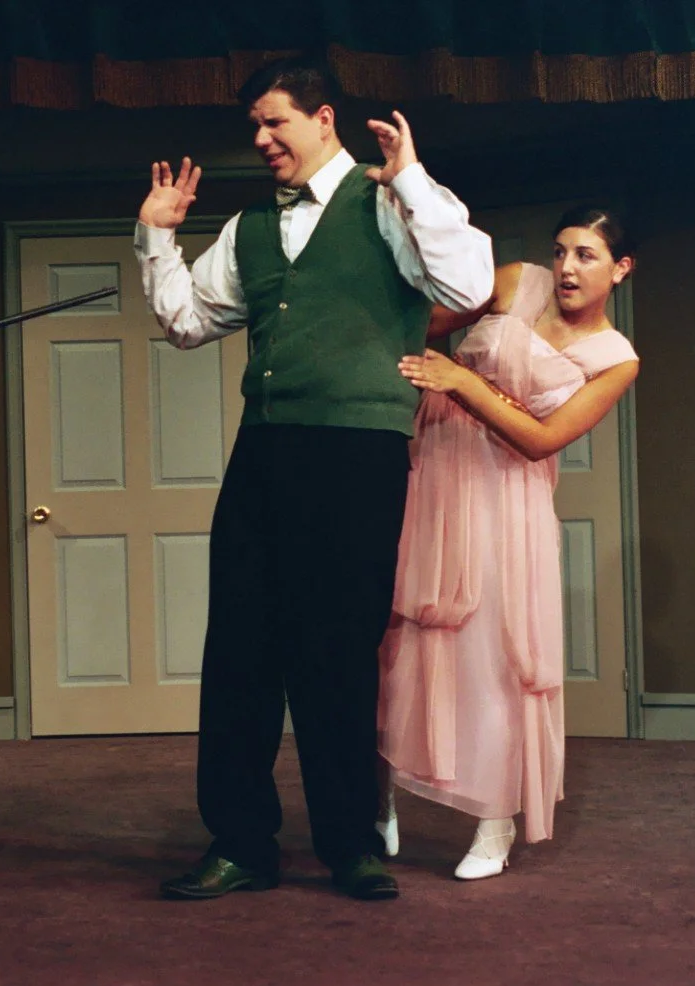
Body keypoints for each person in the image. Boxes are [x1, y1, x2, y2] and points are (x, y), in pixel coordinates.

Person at [134, 56, 493, 901]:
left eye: (275, 123)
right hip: (264, 453)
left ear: (323, 118)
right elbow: (187, 322)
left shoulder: (390, 205)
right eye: (253, 127)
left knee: (337, 652)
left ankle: (351, 844)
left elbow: (469, 282)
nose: (261, 140)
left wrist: (413, 181)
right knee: (240, 656)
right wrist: (156, 237)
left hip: (356, 453)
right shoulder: (251, 228)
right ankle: (240, 845)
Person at [378, 207, 641, 880]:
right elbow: (422, 327)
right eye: (560, 251)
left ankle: (495, 821)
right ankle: (380, 800)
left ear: (620, 269)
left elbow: (541, 439)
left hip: (506, 504)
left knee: (495, 657)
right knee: (404, 637)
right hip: (434, 475)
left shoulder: (616, 358)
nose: (566, 268)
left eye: (585, 255)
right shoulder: (515, 282)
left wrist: (464, 381)